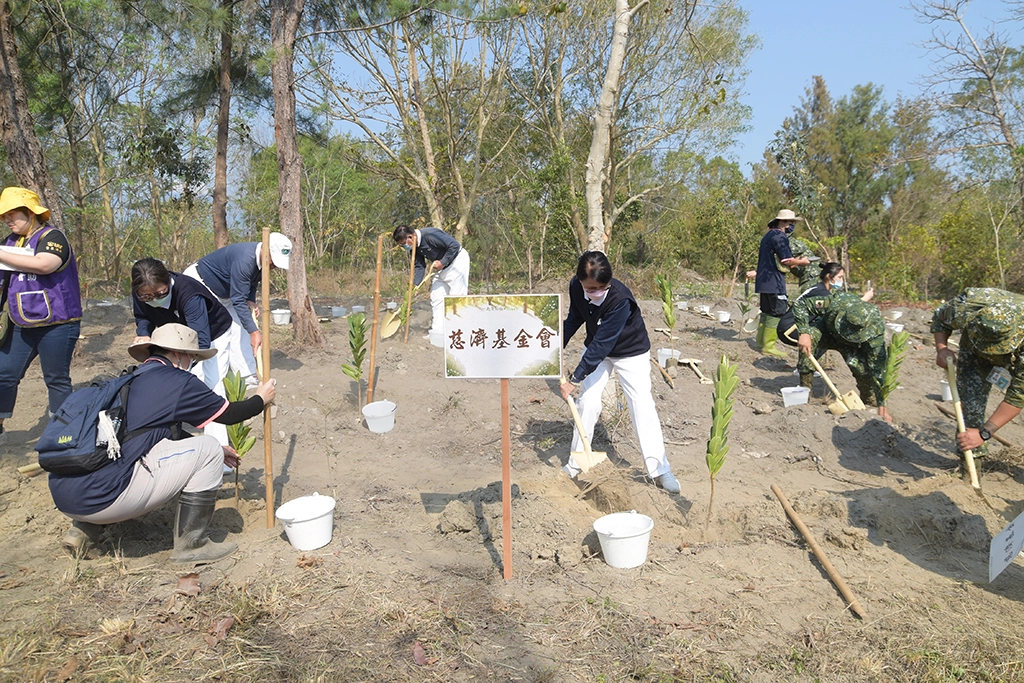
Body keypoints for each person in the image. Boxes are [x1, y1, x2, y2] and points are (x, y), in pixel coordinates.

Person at [49, 323, 277, 563]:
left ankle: (83, 532)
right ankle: (192, 546)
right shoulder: (177, 381)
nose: (192, 364)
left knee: (114, 459)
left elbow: (160, 434)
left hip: (66, 497)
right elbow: (230, 414)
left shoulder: (127, 379)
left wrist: (221, 451)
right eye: (193, 358)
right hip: (105, 500)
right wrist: (260, 399)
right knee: (208, 447)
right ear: (179, 354)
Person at [559, 251, 680, 494]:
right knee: (587, 402)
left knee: (641, 405)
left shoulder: (620, 299)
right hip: (598, 350)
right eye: (592, 288)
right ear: (580, 280)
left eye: (603, 287)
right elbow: (574, 318)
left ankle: (660, 470)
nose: (597, 292)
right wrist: (553, 346)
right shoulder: (575, 286)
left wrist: (575, 378)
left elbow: (603, 342)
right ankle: (575, 466)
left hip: (630, 351)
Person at [0, 187, 82, 447]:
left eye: (13, 214)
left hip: (58, 324)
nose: (8, 220)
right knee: (4, 374)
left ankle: (62, 435)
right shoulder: (8, 243)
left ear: (31, 213)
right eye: (4, 217)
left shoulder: (52, 236)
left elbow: (46, 264)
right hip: (19, 322)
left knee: (56, 378)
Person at [131, 257, 235, 446]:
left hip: (212, 332)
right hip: (175, 336)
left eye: (160, 293)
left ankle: (218, 446)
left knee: (212, 382)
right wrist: (144, 334)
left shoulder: (189, 294)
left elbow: (201, 341)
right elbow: (142, 316)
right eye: (147, 297)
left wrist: (182, 368)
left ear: (167, 280)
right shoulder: (141, 290)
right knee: (169, 380)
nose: (153, 299)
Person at [183, 233, 291, 385]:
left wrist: (251, 301)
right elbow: (238, 299)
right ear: (265, 250)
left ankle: (246, 375)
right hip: (200, 286)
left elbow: (252, 283)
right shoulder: (244, 260)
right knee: (217, 336)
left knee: (240, 327)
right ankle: (209, 382)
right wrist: (254, 332)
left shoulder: (261, 262)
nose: (274, 265)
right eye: (274, 259)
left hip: (226, 293)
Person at [932, 288, 1024, 456]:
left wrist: (984, 432)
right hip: (972, 350)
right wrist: (942, 348)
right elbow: (940, 318)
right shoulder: (967, 305)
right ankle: (970, 464)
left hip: (1013, 356)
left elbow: (1018, 396)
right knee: (969, 406)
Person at [794, 288, 890, 421]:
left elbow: (878, 367)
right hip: (826, 332)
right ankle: (805, 392)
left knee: (861, 370)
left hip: (851, 346)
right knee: (811, 339)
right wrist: (804, 332)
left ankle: (869, 400)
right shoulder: (835, 303)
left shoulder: (875, 329)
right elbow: (801, 304)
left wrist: (882, 405)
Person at [392, 224, 470, 338]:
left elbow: (454, 246)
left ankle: (458, 333)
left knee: (456, 298)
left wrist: (443, 262)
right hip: (441, 268)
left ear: (410, 237)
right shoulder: (414, 247)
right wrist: (416, 285)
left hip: (456, 263)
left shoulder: (430, 235)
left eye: (403, 244)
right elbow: (419, 266)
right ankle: (438, 332)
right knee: (436, 296)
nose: (404, 247)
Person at [753, 209, 811, 358]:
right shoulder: (780, 236)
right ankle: (769, 346)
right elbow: (786, 260)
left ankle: (760, 343)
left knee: (766, 311)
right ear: (783, 222)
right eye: (791, 222)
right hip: (774, 281)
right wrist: (802, 262)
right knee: (777, 311)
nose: (792, 226)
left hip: (764, 281)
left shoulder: (768, 235)